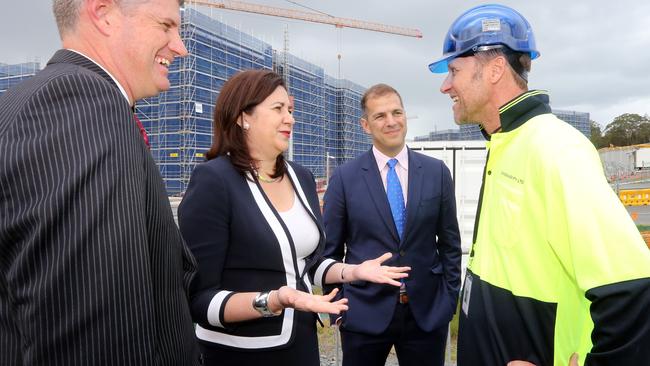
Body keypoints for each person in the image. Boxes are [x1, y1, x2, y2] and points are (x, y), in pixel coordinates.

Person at [429, 4, 650, 366]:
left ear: (495, 68)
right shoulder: (504, 142)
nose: (445, 85)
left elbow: (634, 290)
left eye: (454, 70)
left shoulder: (555, 148)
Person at [0, 0, 200, 365]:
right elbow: (97, 337)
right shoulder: (85, 105)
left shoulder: (29, 102)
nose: (180, 47)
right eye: (166, 26)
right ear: (103, 13)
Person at [177, 69, 410, 366]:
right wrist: (273, 300)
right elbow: (199, 300)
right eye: (278, 109)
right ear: (242, 117)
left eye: (290, 109)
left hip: (300, 345)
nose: (290, 118)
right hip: (240, 354)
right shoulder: (214, 181)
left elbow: (305, 266)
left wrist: (353, 271)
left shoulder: (301, 177)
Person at [322, 83, 462, 366]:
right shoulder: (345, 178)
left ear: (406, 116)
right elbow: (329, 252)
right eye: (380, 116)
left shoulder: (436, 173)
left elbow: (450, 245)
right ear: (365, 125)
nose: (391, 121)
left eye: (397, 112)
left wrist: (447, 303)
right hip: (363, 315)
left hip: (427, 315)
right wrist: (338, 310)